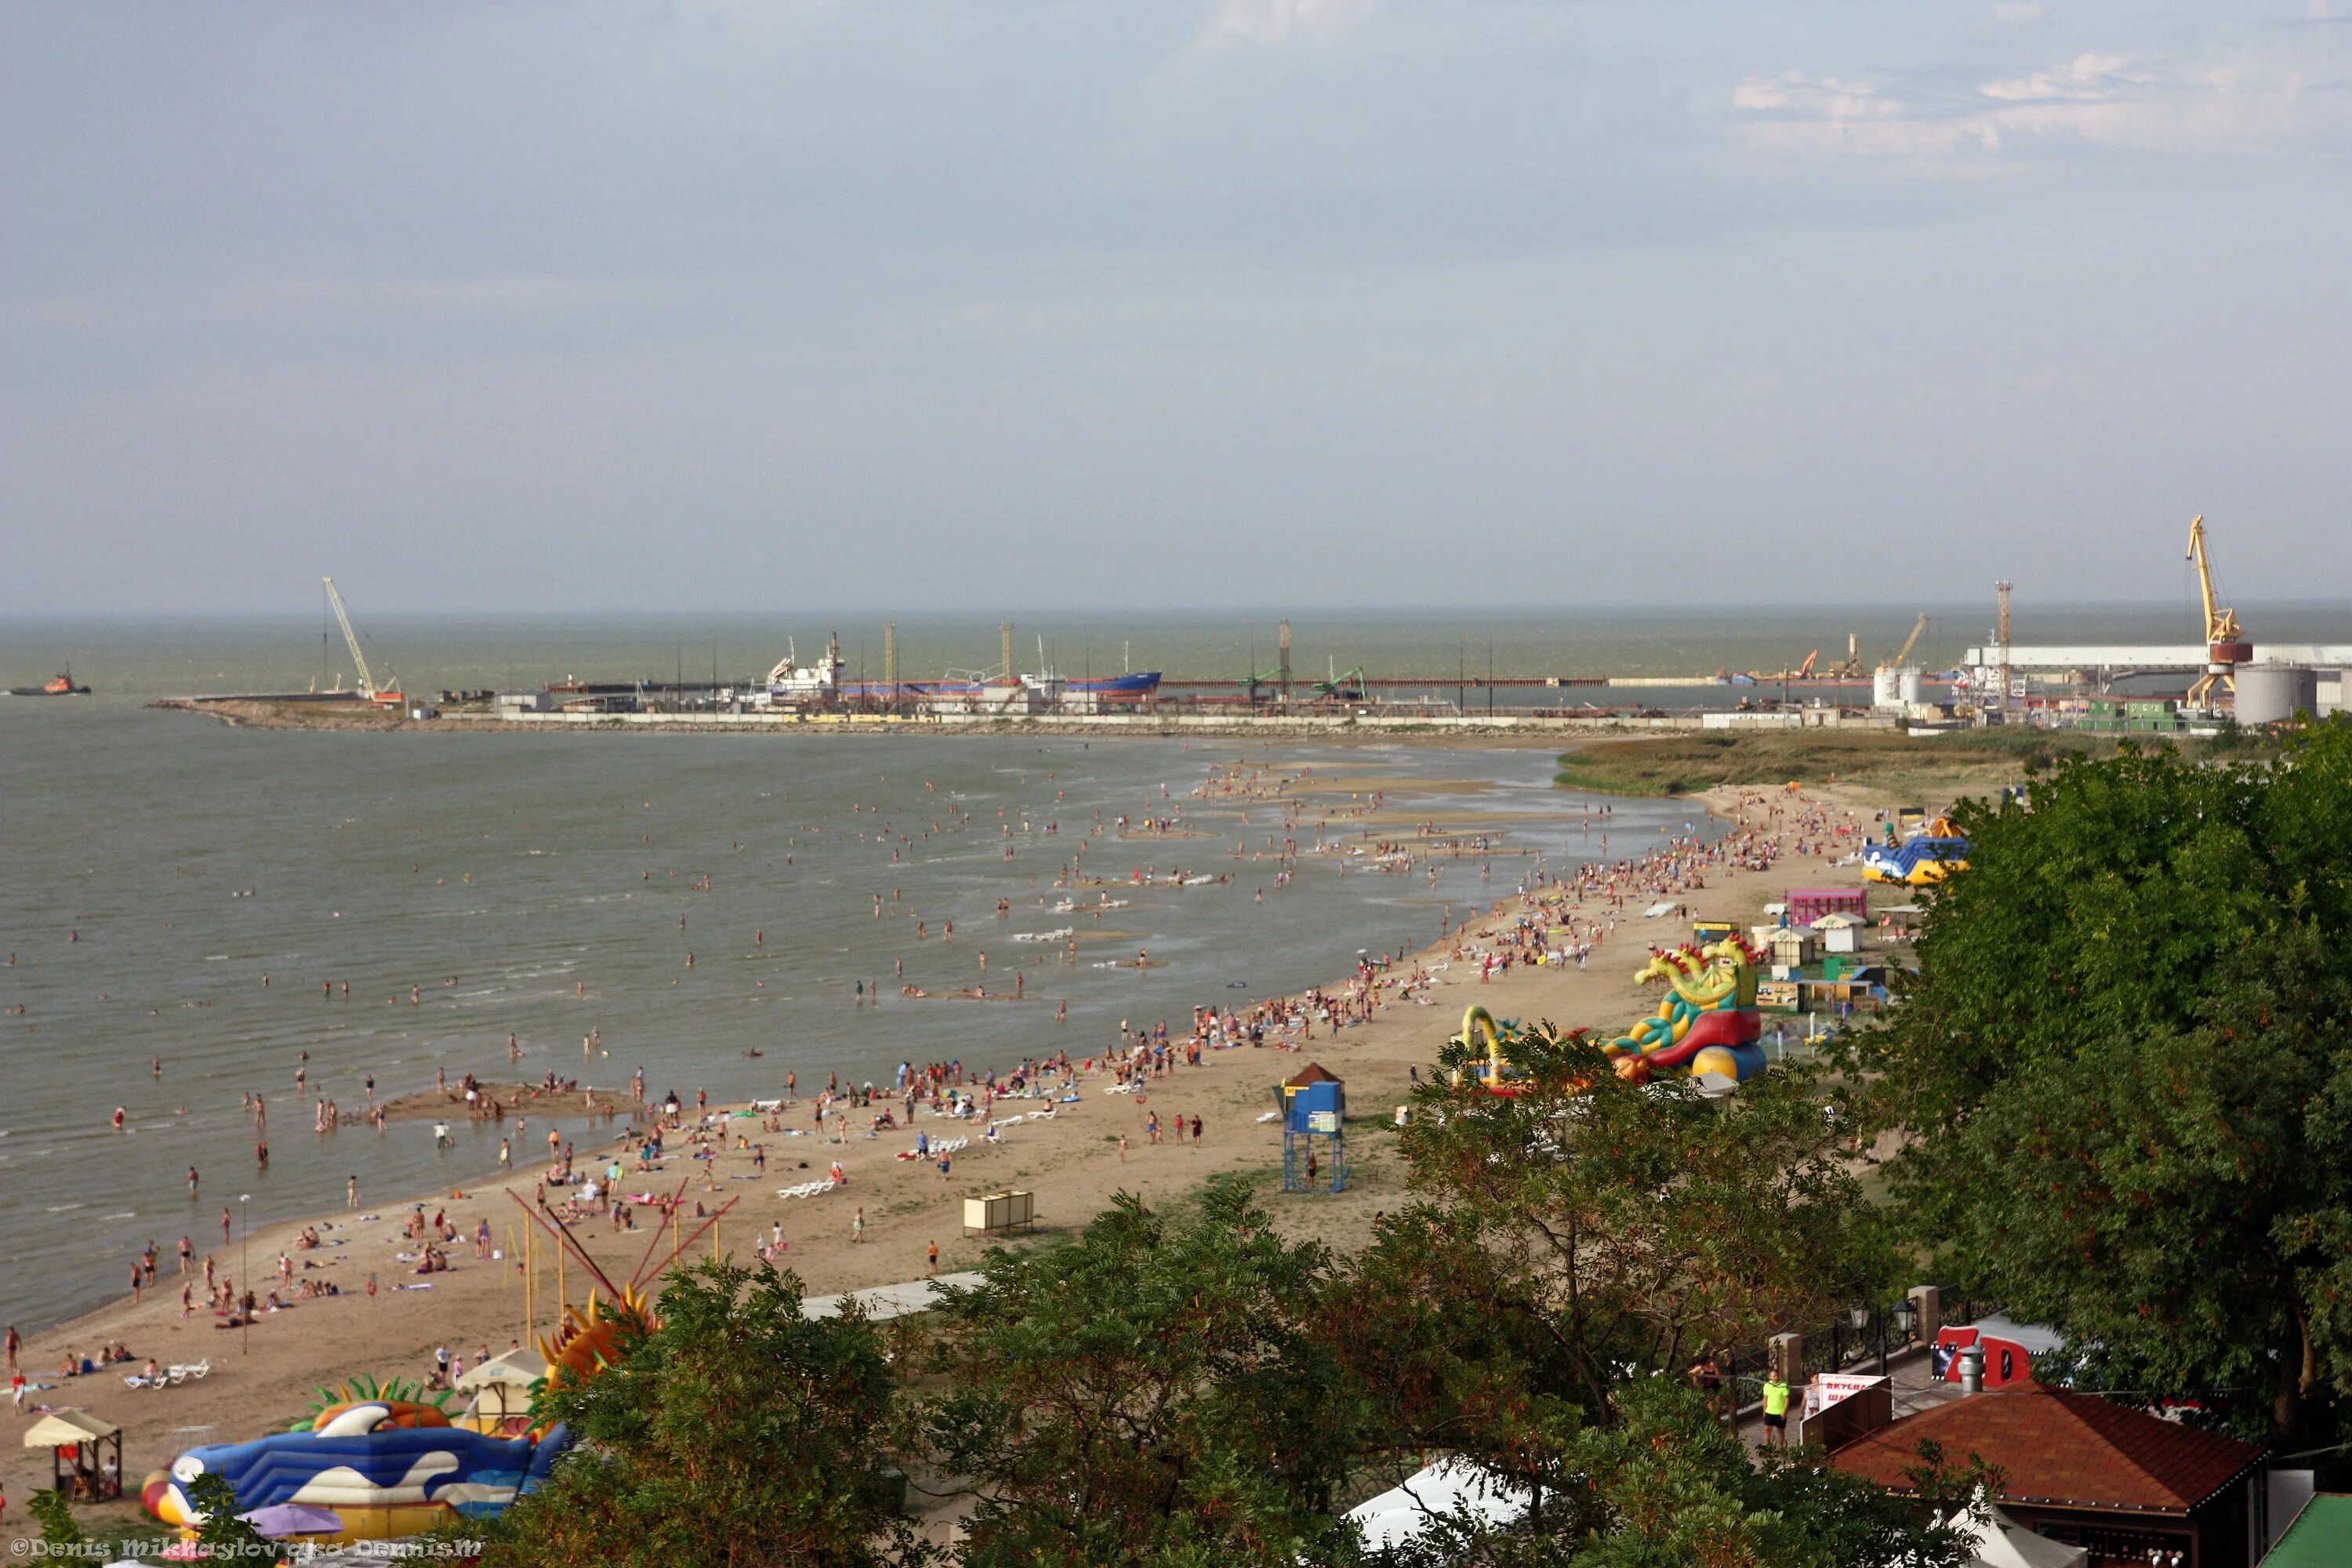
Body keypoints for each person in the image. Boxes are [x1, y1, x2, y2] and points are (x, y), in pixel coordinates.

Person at [1761, 1368, 1791, 1449]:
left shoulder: (1784, 1385)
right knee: (1767, 1429)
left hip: (1780, 1412)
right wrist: (1764, 1411)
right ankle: (1767, 1446)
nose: (1776, 1378)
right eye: (1774, 1376)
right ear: (1770, 1377)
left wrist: (1785, 1412)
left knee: (1781, 1431)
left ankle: (1781, 1447)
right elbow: (1765, 1399)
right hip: (1769, 1412)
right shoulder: (1767, 1385)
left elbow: (1787, 1400)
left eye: (1777, 1376)